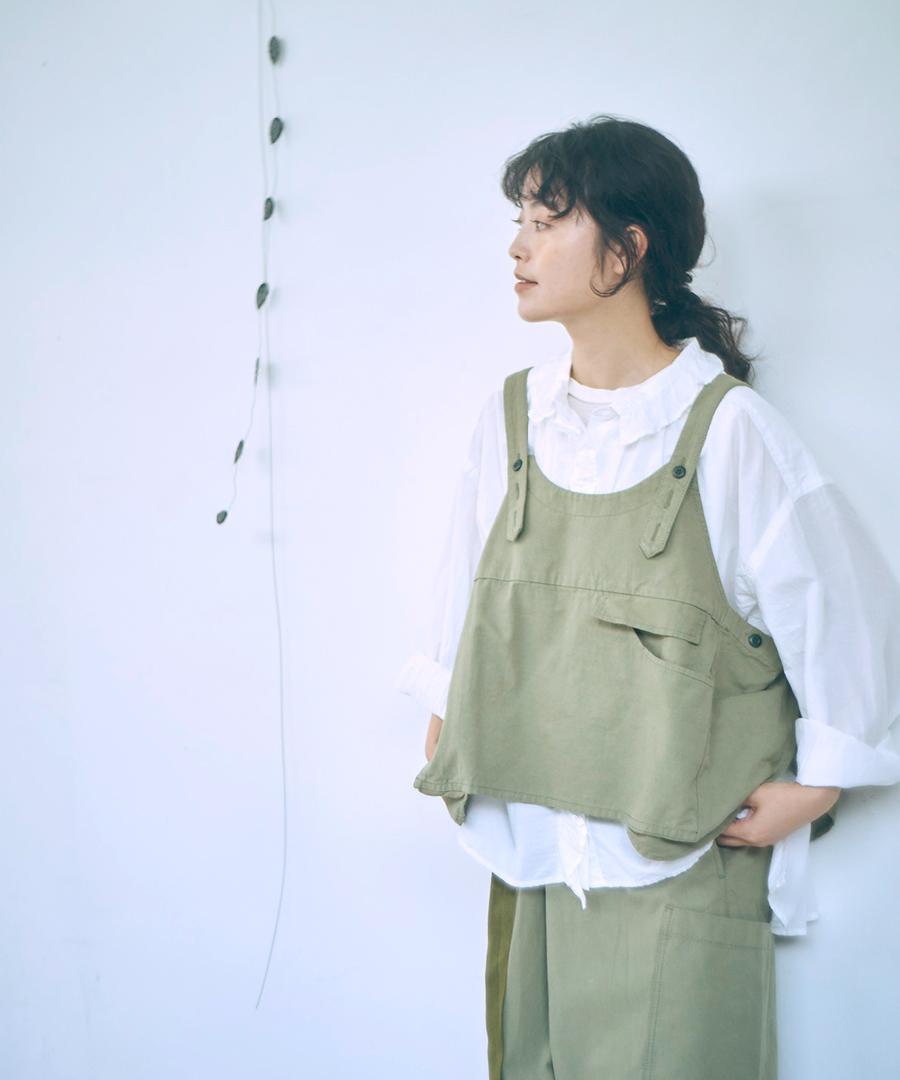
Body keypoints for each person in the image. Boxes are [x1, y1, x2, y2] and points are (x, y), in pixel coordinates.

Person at [395, 113, 900, 1080]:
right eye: (519, 220)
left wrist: (820, 780)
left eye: (549, 219)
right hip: (533, 862)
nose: (518, 246)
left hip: (680, 868)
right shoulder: (512, 419)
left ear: (628, 249)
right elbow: (465, 586)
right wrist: (449, 710)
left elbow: (845, 610)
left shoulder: (729, 432)